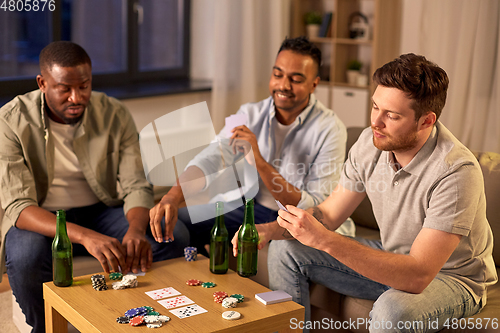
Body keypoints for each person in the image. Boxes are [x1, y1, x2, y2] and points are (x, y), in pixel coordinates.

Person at [233, 53, 498, 332]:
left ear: (426, 121)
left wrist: (324, 240)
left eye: (392, 115)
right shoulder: (371, 143)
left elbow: (418, 275)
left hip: (450, 279)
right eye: (375, 107)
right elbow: (328, 214)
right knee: (285, 248)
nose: (376, 122)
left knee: (392, 310)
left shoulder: (456, 172)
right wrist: (268, 230)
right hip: (392, 254)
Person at [0, 41, 189, 333]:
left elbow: (135, 184)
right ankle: (46, 328)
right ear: (42, 83)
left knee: (171, 236)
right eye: (64, 88)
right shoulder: (11, 120)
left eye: (84, 86)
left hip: (100, 209)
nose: (76, 97)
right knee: (25, 257)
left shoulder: (114, 113)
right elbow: (19, 207)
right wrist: (86, 237)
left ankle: (141, 319)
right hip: (43, 217)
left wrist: (136, 231)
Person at [150, 36, 355, 254]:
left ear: (314, 84)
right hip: (249, 208)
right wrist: (172, 197)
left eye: (295, 79)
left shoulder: (331, 129)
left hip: (293, 218)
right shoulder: (249, 113)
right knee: (174, 222)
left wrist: (258, 161)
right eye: (278, 75)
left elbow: (315, 209)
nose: (283, 85)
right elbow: (210, 159)